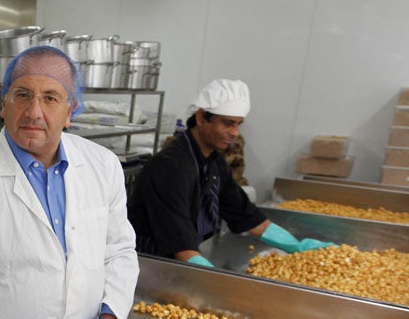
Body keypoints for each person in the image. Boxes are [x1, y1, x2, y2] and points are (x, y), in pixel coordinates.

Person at [0, 46, 140, 319]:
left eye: (51, 98)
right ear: (4, 104)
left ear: (70, 110)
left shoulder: (103, 165)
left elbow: (119, 250)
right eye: (22, 95)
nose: (34, 112)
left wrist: (110, 316)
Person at [128, 79, 335, 266]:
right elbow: (178, 239)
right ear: (201, 117)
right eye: (228, 123)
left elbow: (243, 213)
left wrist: (295, 245)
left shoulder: (213, 160)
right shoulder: (171, 166)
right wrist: (210, 278)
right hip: (151, 264)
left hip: (184, 260)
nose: (235, 132)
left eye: (238, 124)